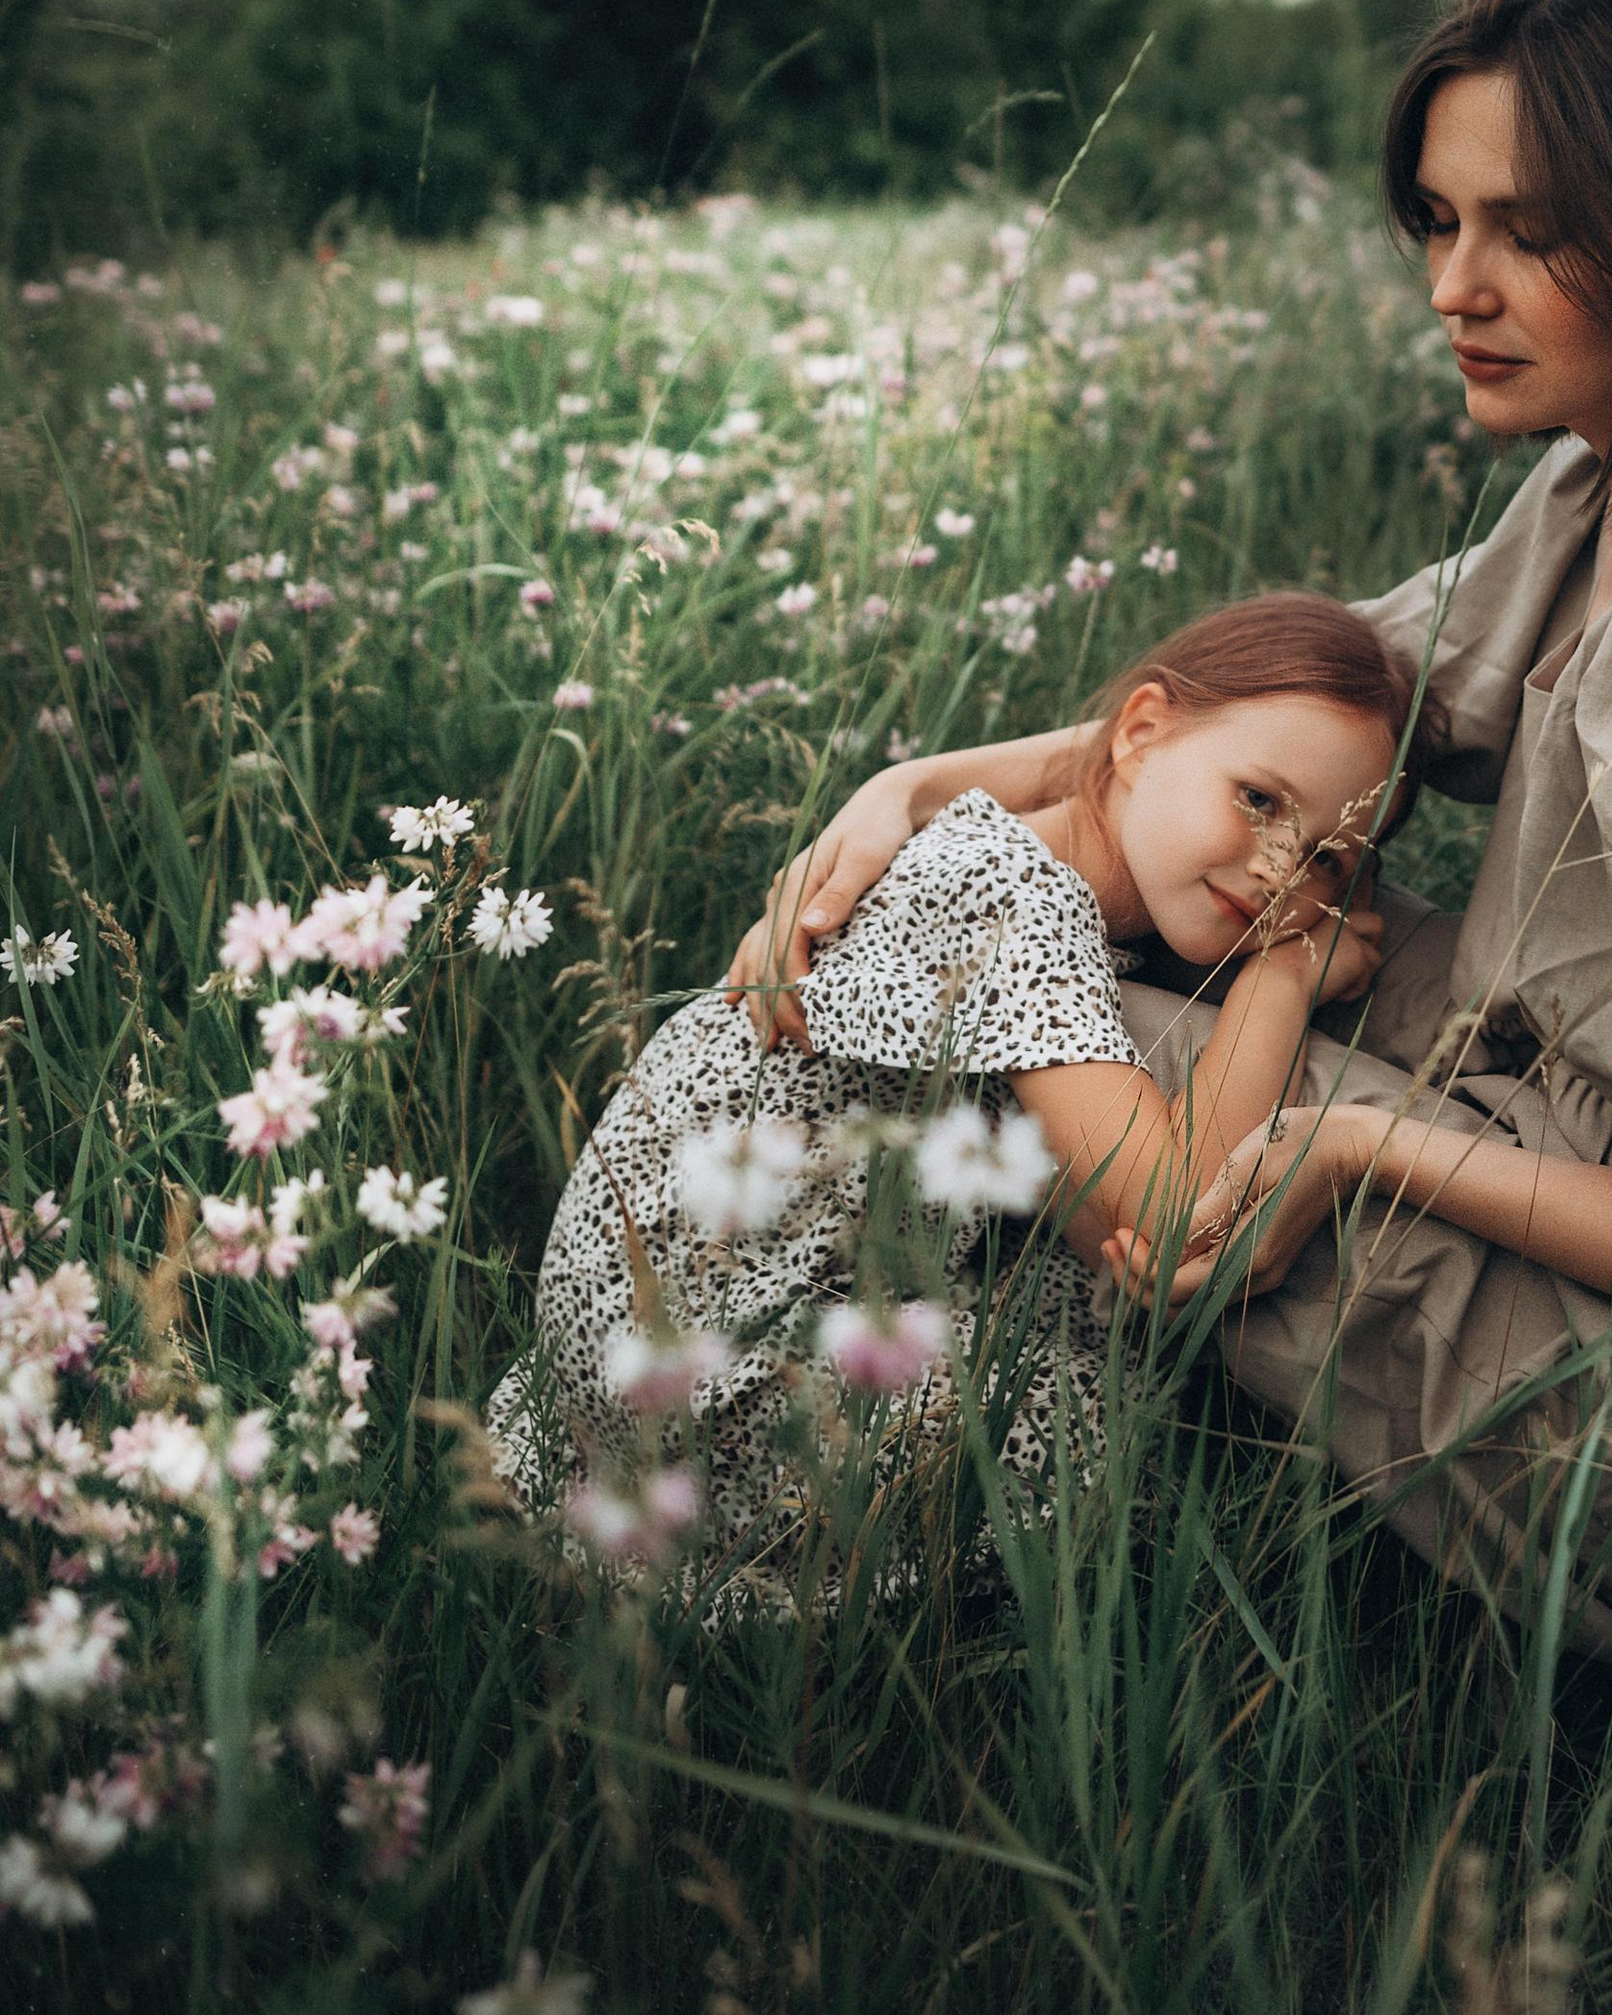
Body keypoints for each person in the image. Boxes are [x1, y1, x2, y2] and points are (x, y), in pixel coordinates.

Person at [723, 0, 1612, 1658]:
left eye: (1531, 231)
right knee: (1131, 899)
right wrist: (925, 781)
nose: (1457, 283)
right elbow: (1276, 732)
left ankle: (824, 1482)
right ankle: (900, 1396)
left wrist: (1366, 1143)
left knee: (1004, 962)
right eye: (1443, 221)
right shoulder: (1611, 487)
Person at [490, 594, 1416, 1589]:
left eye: (1324, 858)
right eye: (1258, 800)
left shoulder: (1026, 851)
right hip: (706, 1369)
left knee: (1072, 1275)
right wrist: (1282, 979)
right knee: (1118, 1429)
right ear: (1141, 734)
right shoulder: (1008, 891)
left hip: (629, 1328)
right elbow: (1184, 1209)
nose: (1278, 869)